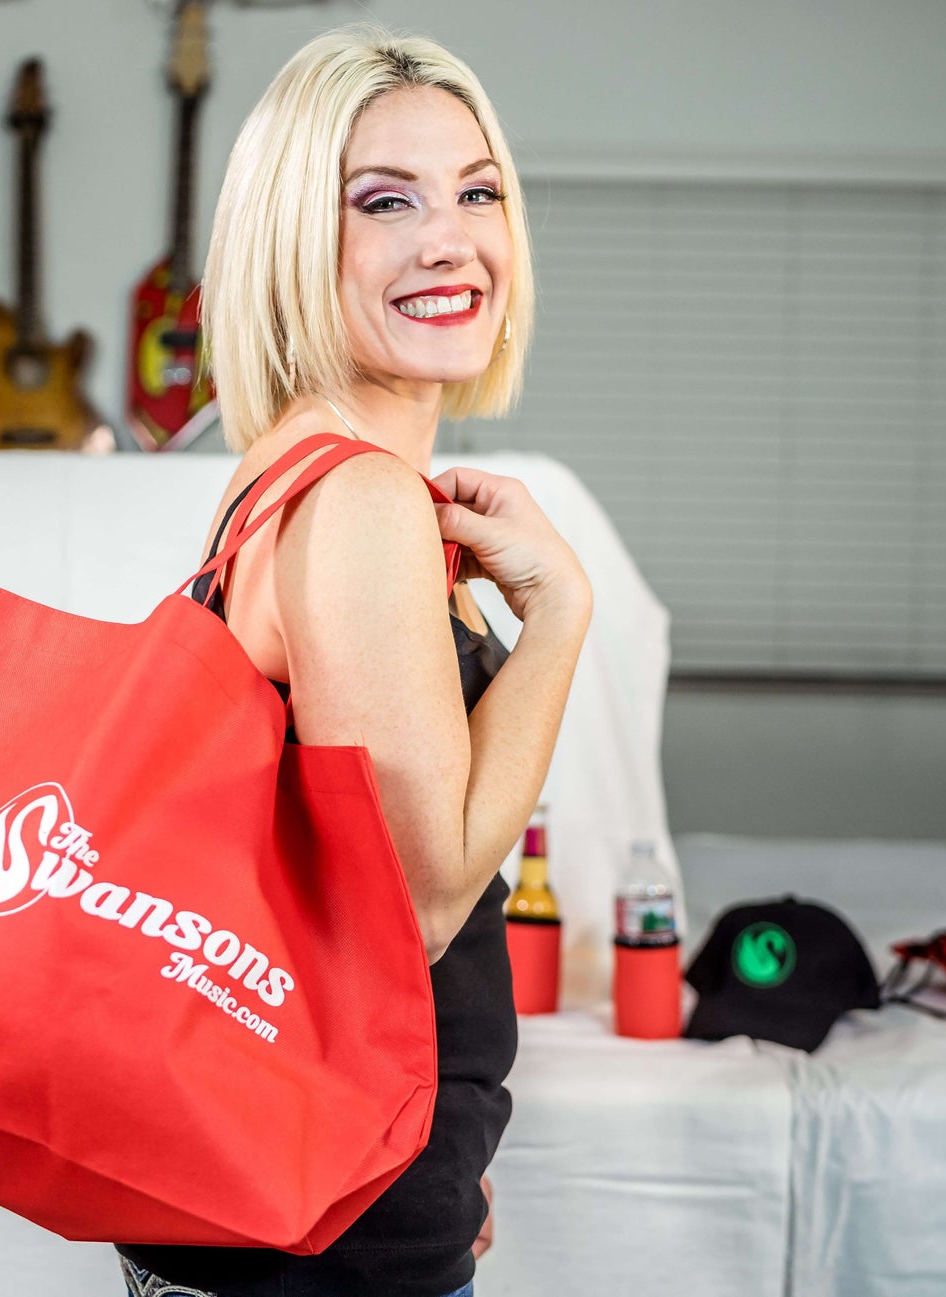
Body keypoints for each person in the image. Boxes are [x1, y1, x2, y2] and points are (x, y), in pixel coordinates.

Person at [115, 22, 594, 1297]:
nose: (449, 237)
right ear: (292, 234)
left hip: (292, 1186)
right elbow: (419, 906)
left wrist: (431, 1149)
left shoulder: (274, 477)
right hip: (323, 1236)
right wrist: (557, 619)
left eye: (477, 190)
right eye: (385, 200)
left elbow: (326, 890)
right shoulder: (364, 499)